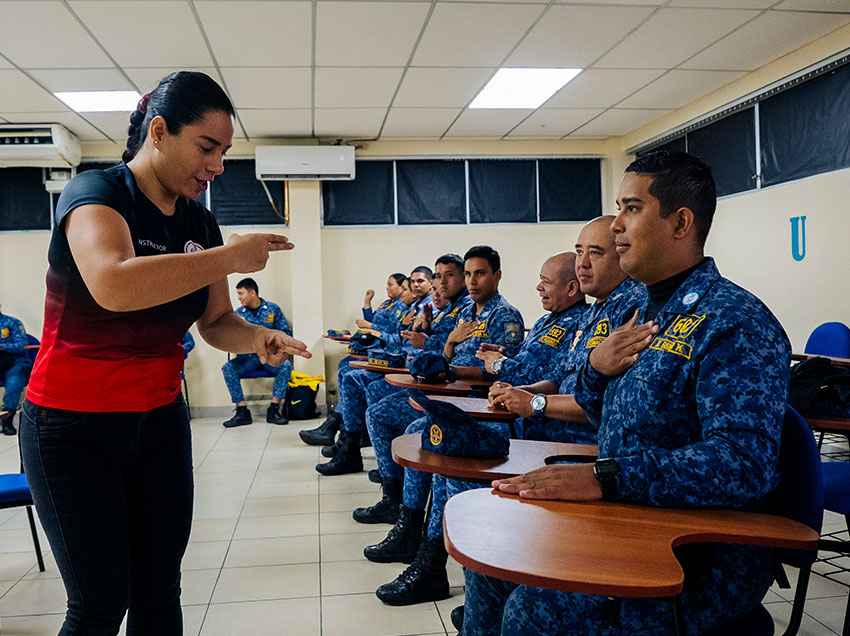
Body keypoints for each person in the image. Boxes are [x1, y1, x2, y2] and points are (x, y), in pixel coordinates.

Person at [20, 71, 309, 636]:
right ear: (159, 131)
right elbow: (115, 284)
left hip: (157, 425)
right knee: (100, 601)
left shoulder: (199, 221)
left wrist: (254, 337)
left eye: (224, 151)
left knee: (158, 590)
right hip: (71, 429)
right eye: (207, 147)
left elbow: (216, 320)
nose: (218, 165)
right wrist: (227, 257)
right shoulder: (96, 195)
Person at [461, 151, 791, 636]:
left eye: (632, 208)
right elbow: (602, 411)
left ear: (680, 223)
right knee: (488, 567)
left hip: (693, 549)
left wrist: (608, 477)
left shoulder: (734, 321)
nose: (616, 225)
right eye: (619, 207)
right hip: (623, 514)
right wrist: (594, 369)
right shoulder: (636, 310)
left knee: (531, 613)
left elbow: (742, 463)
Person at [362, 246, 524, 605]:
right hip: (447, 397)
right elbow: (440, 351)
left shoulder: (505, 315)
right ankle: (404, 519)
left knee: (423, 438)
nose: (472, 281)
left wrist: (448, 362)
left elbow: (501, 371)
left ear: (497, 276)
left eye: (479, 274)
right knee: (386, 415)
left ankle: (429, 559)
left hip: (480, 407)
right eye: (467, 274)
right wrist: (444, 353)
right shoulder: (465, 310)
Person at [221, 277, 294, 427]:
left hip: (269, 358)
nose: (239, 298)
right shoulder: (237, 315)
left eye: (241, 293)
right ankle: (242, 411)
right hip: (247, 360)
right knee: (227, 368)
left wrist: (273, 342)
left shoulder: (272, 309)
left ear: (252, 292)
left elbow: (285, 332)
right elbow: (231, 339)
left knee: (286, 365)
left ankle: (274, 409)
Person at [0, 306, 32, 436]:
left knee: (14, 381)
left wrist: (2, 346)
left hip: (16, 361)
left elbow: (21, 344)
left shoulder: (12, 323)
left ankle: (7, 420)